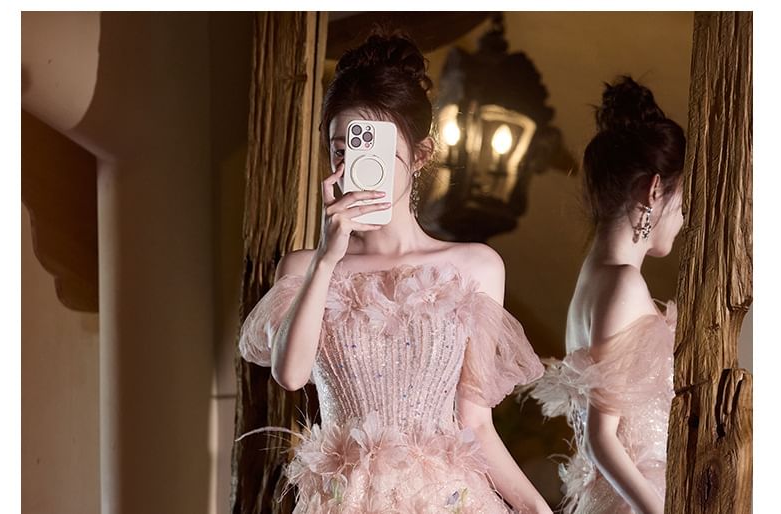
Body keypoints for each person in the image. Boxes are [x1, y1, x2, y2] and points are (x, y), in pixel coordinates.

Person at [238, 31, 551, 513]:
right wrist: (326, 257)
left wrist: (536, 509)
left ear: (420, 155)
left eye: (373, 151)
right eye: (341, 149)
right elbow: (291, 374)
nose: (353, 164)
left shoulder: (476, 266)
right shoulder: (305, 266)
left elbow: (476, 423)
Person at [528, 76, 686, 514]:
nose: (683, 218)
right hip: (637, 501)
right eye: (683, 200)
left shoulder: (593, 280)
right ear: (654, 190)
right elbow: (601, 439)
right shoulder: (622, 283)